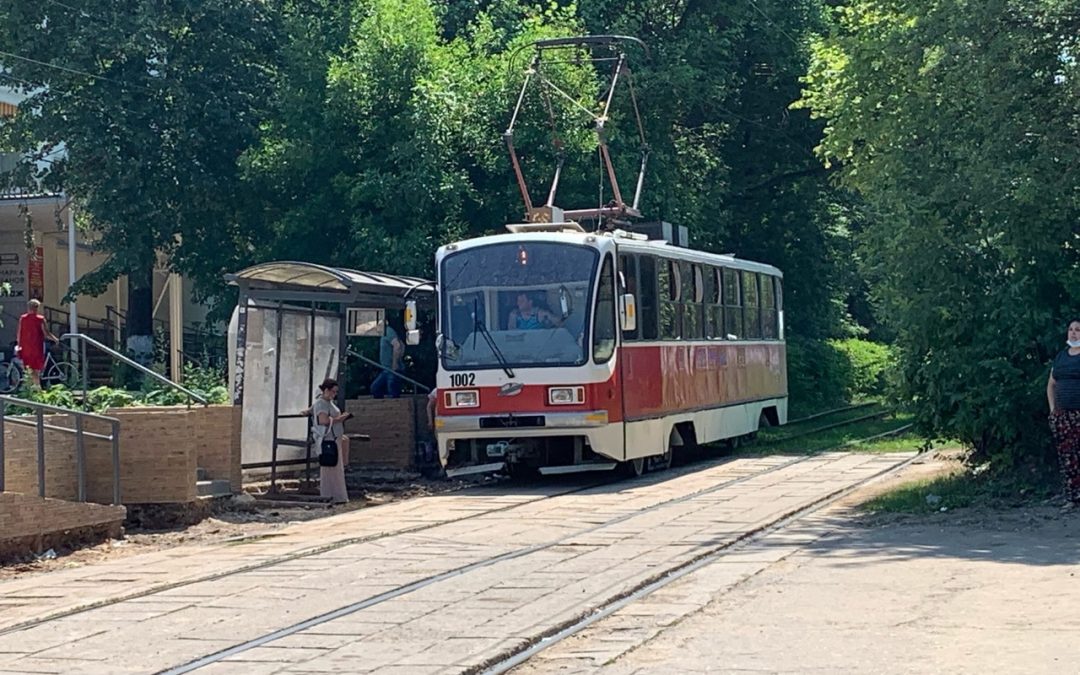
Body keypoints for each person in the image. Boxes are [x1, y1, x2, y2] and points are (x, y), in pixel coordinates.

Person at [1048, 319, 1080, 508]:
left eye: (1078, 330)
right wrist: (1053, 410)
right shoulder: (1061, 357)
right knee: (1068, 457)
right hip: (1062, 416)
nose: (1073, 333)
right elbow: (1051, 384)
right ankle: (1072, 498)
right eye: (1071, 330)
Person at [311, 378, 351, 504]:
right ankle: (330, 494)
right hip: (328, 437)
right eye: (333, 392)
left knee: (336, 467)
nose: (334, 394)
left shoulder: (329, 402)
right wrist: (340, 419)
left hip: (335, 436)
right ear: (326, 390)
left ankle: (337, 494)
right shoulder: (321, 403)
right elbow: (323, 420)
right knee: (330, 466)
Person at [17, 299, 59, 389]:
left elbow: (19, 333)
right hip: (36, 346)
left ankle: (31, 388)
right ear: (37, 308)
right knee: (36, 369)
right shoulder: (40, 319)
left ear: (28, 307)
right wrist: (55, 339)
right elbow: (46, 333)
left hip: (25, 347)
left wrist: (18, 344)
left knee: (28, 369)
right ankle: (37, 388)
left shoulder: (23, 319)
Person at [371, 320, 404, 399]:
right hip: (386, 369)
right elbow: (402, 344)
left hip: (392, 369)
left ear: (386, 322)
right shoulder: (384, 333)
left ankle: (396, 408)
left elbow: (398, 345)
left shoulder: (388, 331)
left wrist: (395, 363)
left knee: (392, 390)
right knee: (375, 388)